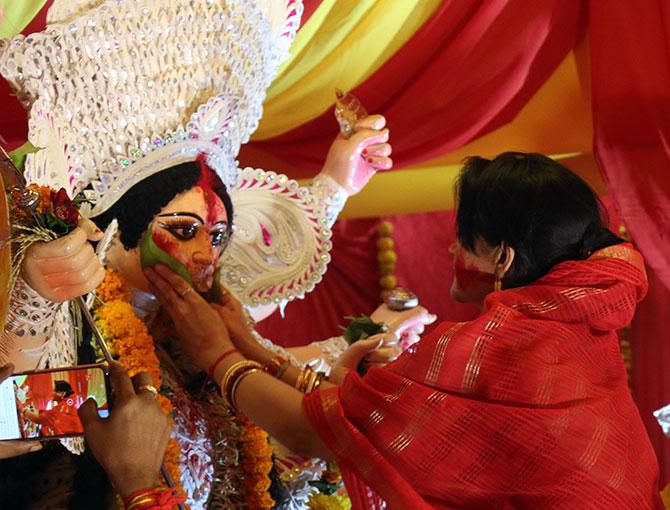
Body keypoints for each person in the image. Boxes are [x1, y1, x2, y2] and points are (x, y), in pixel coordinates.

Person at [0, 1, 433, 507]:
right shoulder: (85, 333)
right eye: (184, 229)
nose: (208, 253)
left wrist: (336, 186)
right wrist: (32, 305)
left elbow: (266, 367)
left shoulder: (189, 332)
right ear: (117, 231)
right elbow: (9, 417)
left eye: (220, 235)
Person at [147, 152, 663, 509]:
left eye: (463, 239)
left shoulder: (497, 347)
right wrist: (251, 344)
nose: (450, 252)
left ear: (502, 257)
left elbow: (321, 430)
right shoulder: (577, 331)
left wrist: (215, 351)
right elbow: (370, 417)